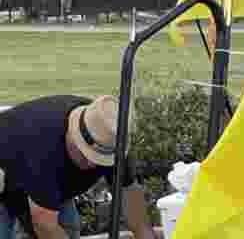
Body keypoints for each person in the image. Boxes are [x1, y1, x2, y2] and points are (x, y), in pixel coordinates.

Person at [0, 95, 156, 239]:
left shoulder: (109, 134)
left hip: (43, 180)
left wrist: (145, 233)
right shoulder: (43, 148)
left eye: (101, 159)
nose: (92, 164)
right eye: (86, 154)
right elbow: (44, 223)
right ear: (73, 135)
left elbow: (129, 194)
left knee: (68, 229)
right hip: (5, 171)